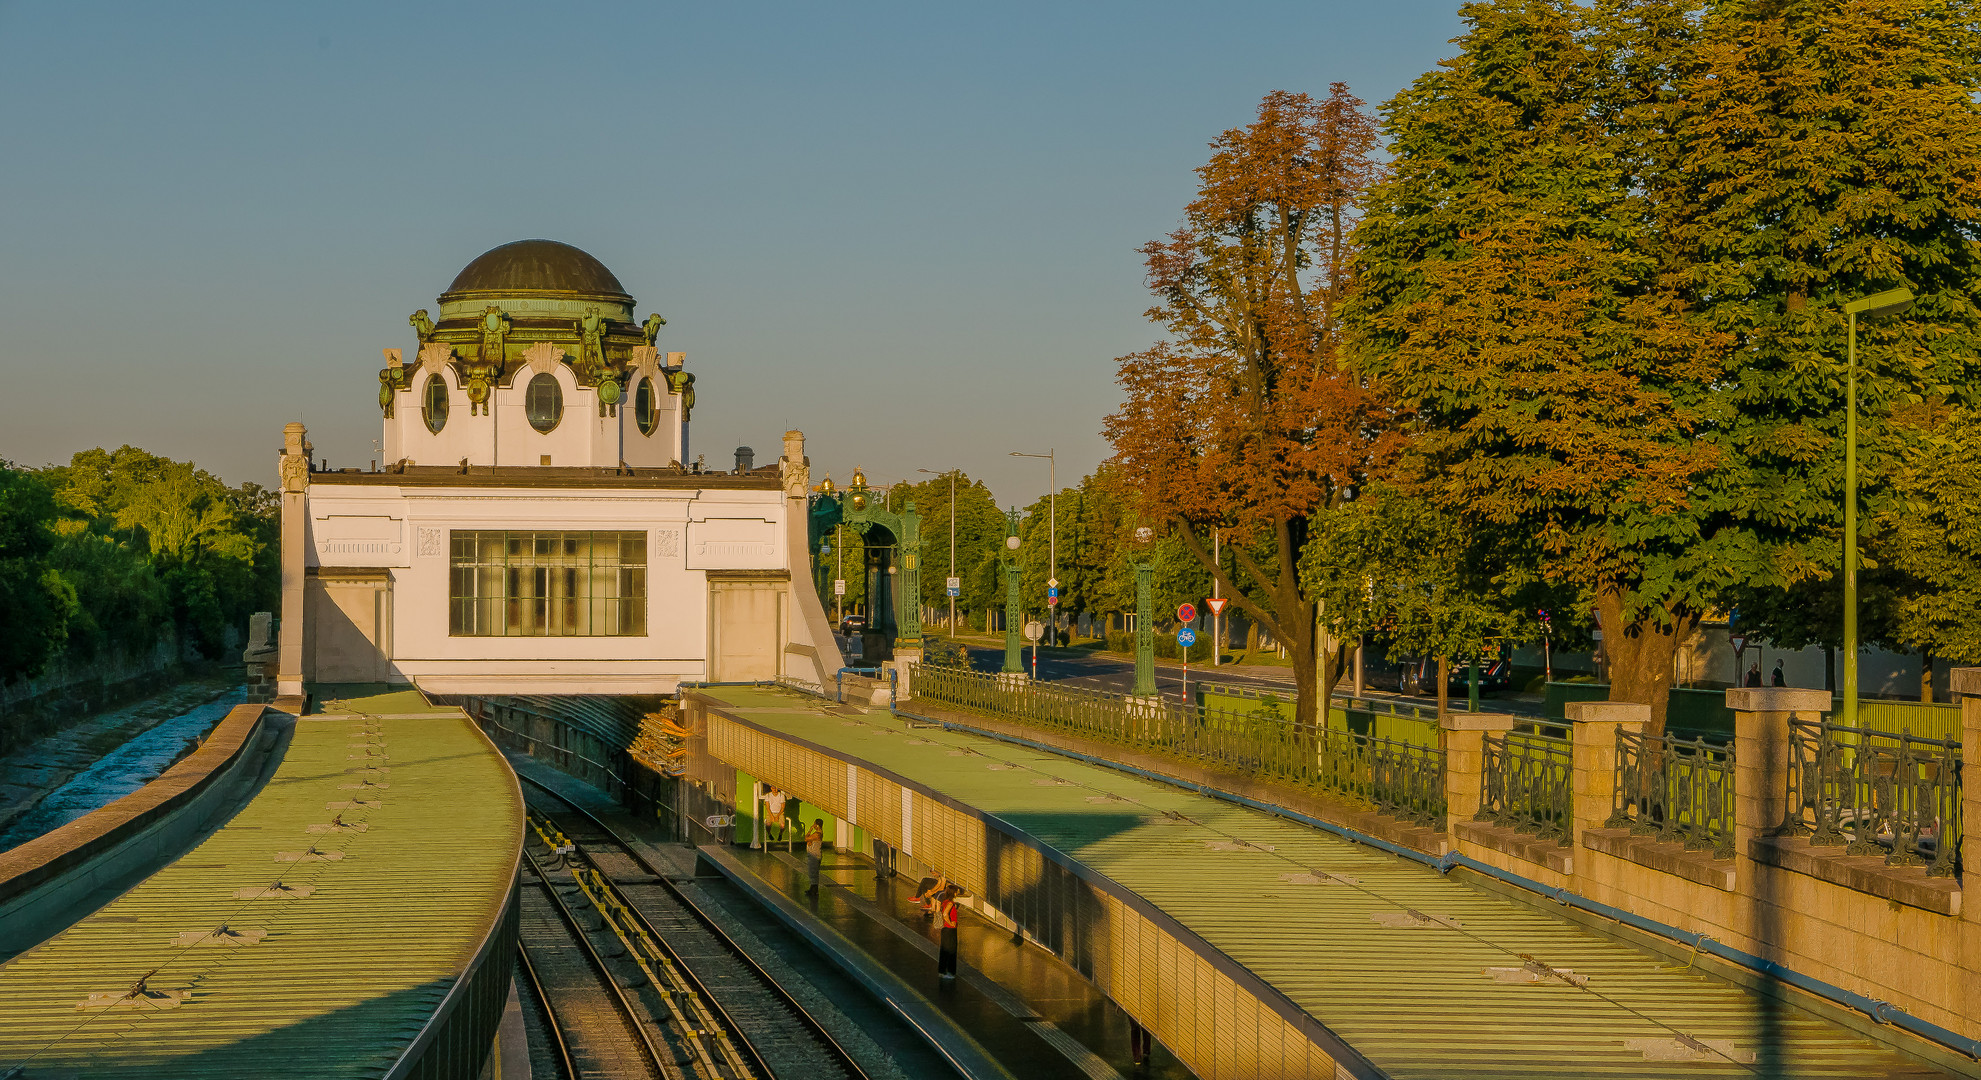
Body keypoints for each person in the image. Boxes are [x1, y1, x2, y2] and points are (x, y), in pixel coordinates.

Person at [936, 886, 960, 979]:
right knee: (952, 951)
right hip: (950, 930)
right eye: (956, 892)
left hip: (945, 930)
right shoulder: (950, 903)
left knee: (944, 950)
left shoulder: (945, 901)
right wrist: (950, 922)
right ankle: (950, 972)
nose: (957, 893)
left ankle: (942, 970)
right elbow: (945, 914)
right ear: (953, 893)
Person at [804, 818, 825, 895]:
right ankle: (812, 888)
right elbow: (809, 840)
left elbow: (806, 838)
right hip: (813, 854)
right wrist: (810, 841)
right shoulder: (817, 833)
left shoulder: (817, 834)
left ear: (817, 825)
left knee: (813, 872)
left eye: (814, 824)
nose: (813, 825)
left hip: (814, 855)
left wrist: (810, 829)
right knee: (812, 872)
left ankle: (814, 890)